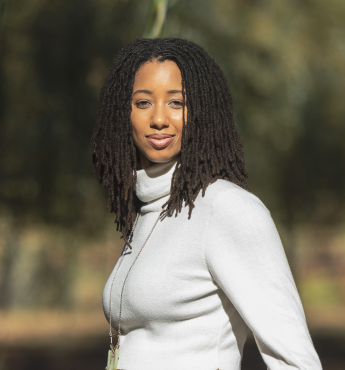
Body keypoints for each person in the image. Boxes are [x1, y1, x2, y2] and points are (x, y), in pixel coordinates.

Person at [91, 38, 322, 370]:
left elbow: (296, 361)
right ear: (122, 113)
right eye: (143, 103)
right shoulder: (146, 211)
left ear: (201, 111)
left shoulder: (226, 208)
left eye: (176, 103)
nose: (158, 119)